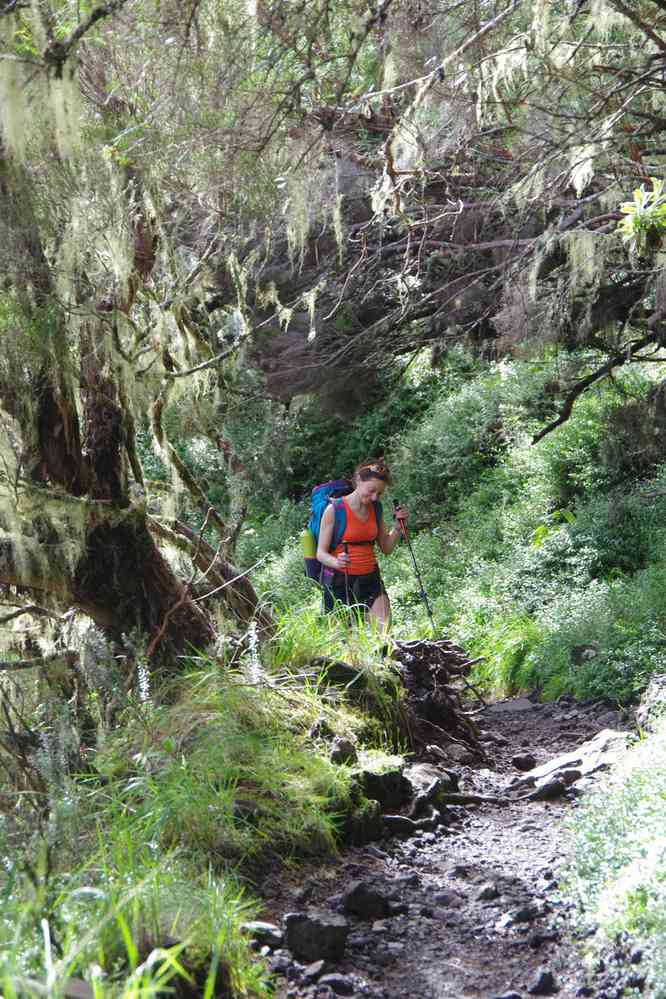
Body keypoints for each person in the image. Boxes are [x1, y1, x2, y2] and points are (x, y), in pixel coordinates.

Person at [316, 459, 408, 629]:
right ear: (358, 480)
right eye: (371, 490)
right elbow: (320, 553)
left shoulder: (376, 508)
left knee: (383, 632)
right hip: (340, 583)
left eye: (379, 494)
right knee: (348, 643)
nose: (374, 497)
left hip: (370, 579)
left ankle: (384, 656)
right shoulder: (334, 511)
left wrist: (397, 528)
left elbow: (386, 547)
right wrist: (336, 562)